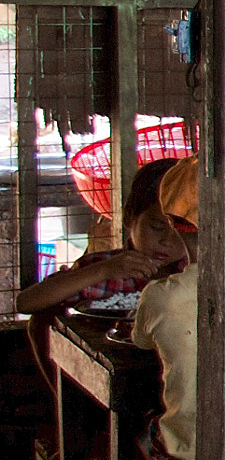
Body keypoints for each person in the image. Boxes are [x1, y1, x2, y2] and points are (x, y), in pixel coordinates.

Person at [17, 156, 187, 396]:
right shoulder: (105, 269)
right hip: (105, 373)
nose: (166, 241)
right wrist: (102, 271)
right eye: (157, 227)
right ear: (130, 217)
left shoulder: (192, 275)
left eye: (180, 232)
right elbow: (26, 303)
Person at [129, 157, 201, 460]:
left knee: (152, 431)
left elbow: (141, 341)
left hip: (194, 450)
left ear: (175, 225)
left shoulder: (159, 295)